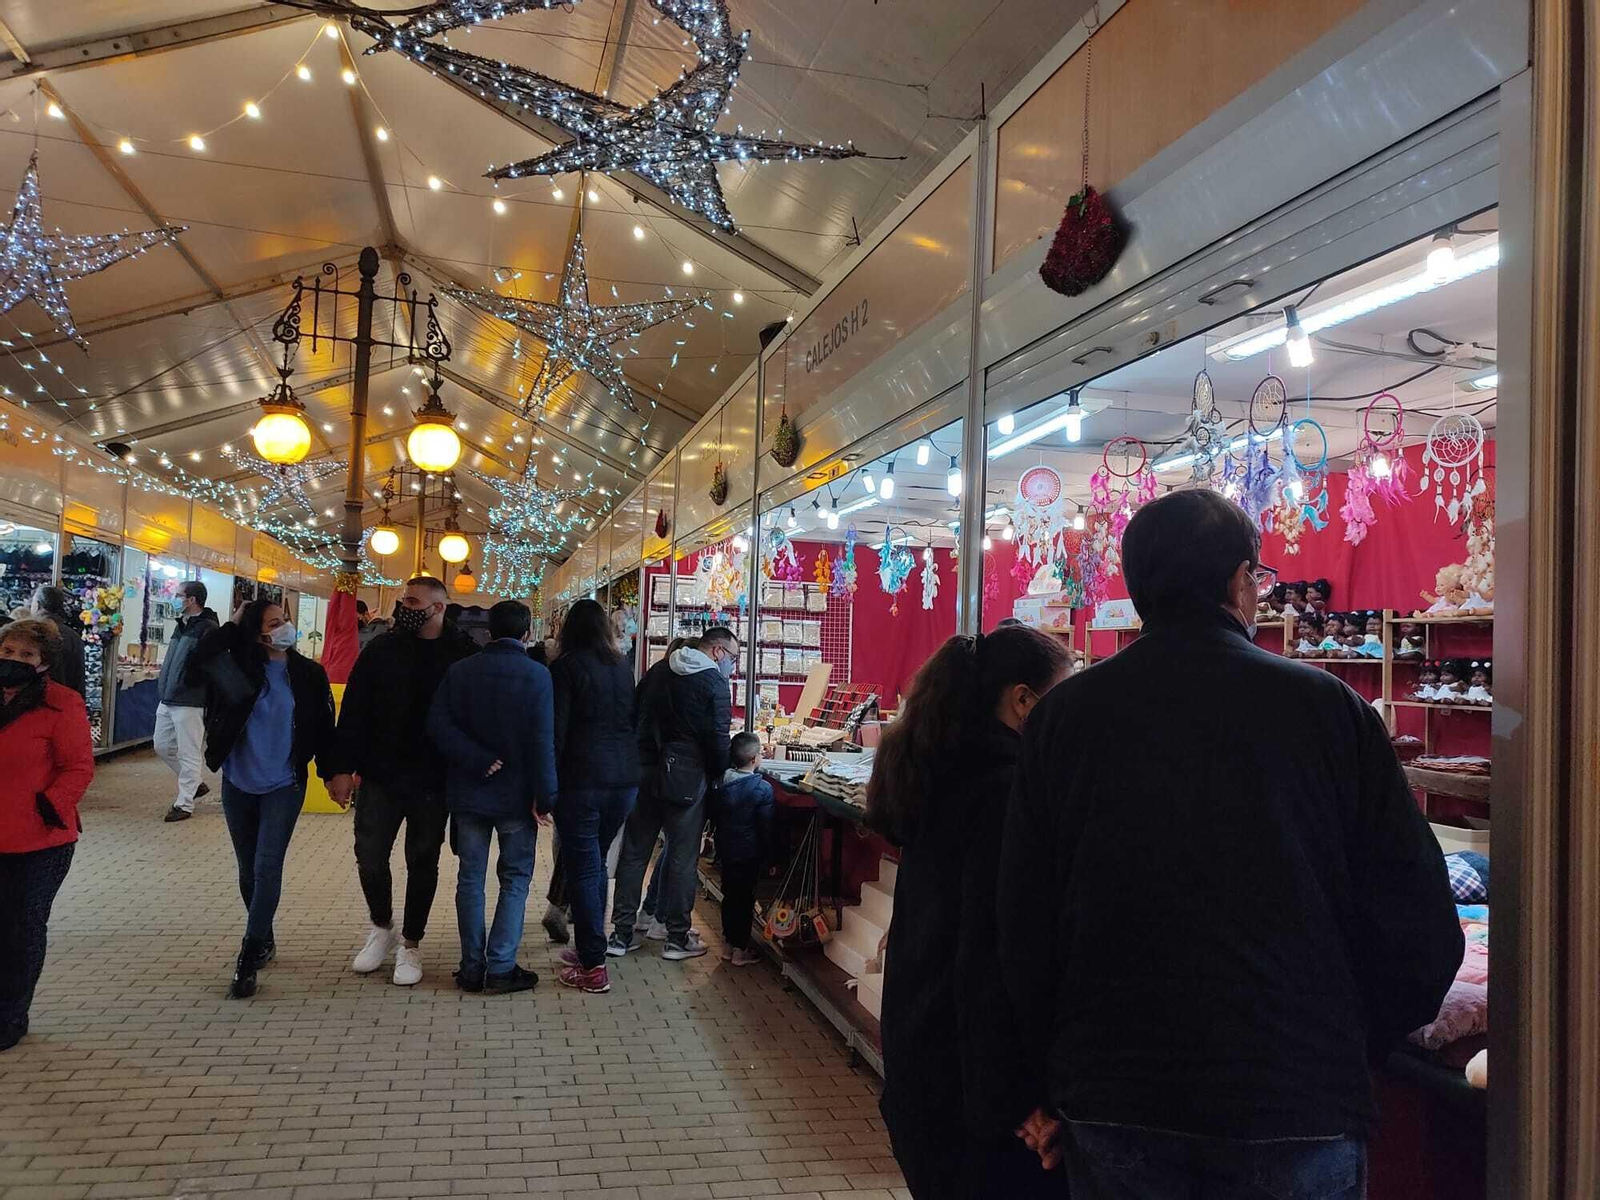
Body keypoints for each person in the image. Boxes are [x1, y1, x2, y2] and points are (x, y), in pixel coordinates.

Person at [998, 489, 1463, 1197]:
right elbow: (1421, 923)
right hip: (1295, 1090)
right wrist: (1347, 1041)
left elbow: (1024, 923)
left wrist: (1047, 1075)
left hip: (1119, 1091)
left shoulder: (1064, 720)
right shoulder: (1329, 709)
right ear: (1240, 580)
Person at [867, 625, 1069, 1199]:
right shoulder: (1006, 792)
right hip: (969, 1096)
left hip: (924, 1065)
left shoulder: (941, 773)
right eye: (1062, 692)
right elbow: (992, 957)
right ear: (1023, 700)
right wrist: (1021, 1098)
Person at [187, 599, 348, 999]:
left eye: (286, 620)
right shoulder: (237, 667)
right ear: (257, 631)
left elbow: (325, 729)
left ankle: (249, 951)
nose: (284, 628)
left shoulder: (308, 674)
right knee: (247, 869)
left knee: (266, 865)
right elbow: (196, 658)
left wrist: (332, 774)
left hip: (284, 783)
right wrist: (234, 622)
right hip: (238, 782)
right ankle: (265, 935)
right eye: (274, 623)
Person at [339, 575, 478, 986]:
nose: (404, 608)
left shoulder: (462, 654)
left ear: (438, 607)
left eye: (412, 601)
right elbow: (355, 711)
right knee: (369, 852)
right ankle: (382, 925)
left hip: (434, 778)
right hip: (382, 773)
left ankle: (411, 943)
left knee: (423, 860)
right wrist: (340, 767)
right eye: (403, 600)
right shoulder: (381, 650)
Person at [429, 600, 556, 995]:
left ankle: (471, 967)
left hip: (469, 792)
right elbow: (542, 741)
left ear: (488, 631)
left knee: (470, 879)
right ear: (526, 633)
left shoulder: (461, 671)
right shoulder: (537, 676)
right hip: (518, 796)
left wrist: (477, 760)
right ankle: (500, 967)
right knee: (515, 879)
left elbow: (437, 725)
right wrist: (546, 795)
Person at [610, 628, 736, 962]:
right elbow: (719, 738)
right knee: (682, 858)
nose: (732, 666)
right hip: (687, 778)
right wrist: (719, 771)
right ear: (719, 652)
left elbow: (632, 715)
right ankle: (676, 938)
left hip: (643, 771)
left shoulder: (658, 670)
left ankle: (621, 934)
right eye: (733, 657)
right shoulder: (714, 683)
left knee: (634, 854)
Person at [0, 619, 93, 1051]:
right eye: (8, 651)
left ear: (43, 663)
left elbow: (78, 767)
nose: (14, 660)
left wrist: (50, 805)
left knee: (22, 927)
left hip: (40, 841)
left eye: (25, 655)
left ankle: (11, 1015)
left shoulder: (62, 704)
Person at [547, 598, 641, 994]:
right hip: (624, 781)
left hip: (582, 780)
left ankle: (592, 964)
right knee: (596, 865)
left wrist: (546, 786)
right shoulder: (622, 667)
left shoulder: (565, 669)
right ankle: (593, 948)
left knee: (585, 869)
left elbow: (557, 731)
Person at [154, 581, 219, 823]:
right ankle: (194, 784)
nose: (175, 598)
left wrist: (193, 684)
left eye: (178, 595)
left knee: (188, 751)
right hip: (169, 696)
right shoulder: (181, 626)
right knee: (161, 745)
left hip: (190, 699)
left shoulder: (207, 629)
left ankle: (184, 803)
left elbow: (210, 666)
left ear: (191, 600)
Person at [712, 732, 774, 967]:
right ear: (754, 759)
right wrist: (769, 857)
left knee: (729, 895)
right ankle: (740, 949)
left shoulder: (721, 783)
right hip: (749, 853)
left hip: (726, 848)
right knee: (745, 899)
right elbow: (765, 826)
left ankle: (728, 944)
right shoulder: (762, 789)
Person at [30, 585, 85, 699]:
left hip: (36, 702)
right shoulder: (73, 637)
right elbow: (79, 678)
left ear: (38, 605)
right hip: (67, 702)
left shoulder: (32, 632)